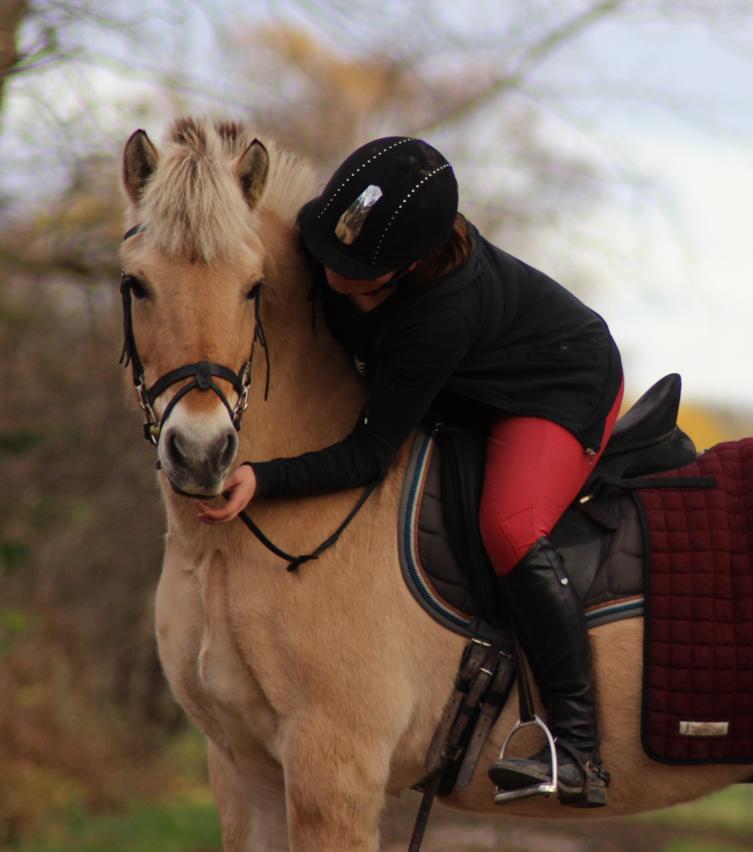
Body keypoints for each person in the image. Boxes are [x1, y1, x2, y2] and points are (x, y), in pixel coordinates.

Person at [197, 136, 623, 807]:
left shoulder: (440, 315)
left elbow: (370, 456)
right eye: (328, 253)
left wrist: (265, 477)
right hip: (463, 375)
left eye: (355, 269)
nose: (331, 274)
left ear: (409, 267)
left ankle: (576, 746)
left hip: (559, 386)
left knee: (510, 527)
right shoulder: (335, 235)